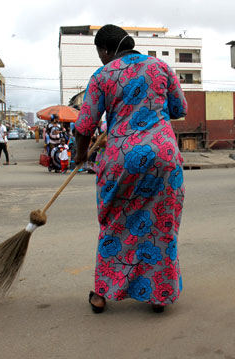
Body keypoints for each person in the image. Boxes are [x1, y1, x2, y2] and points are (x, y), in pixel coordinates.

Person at [74, 24, 187, 314]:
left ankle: (101, 294)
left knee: (114, 224)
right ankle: (158, 294)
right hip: (163, 156)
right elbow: (180, 109)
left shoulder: (102, 75)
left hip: (121, 159)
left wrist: (80, 156)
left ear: (104, 50)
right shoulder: (160, 67)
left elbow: (85, 125)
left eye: (99, 53)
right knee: (160, 225)